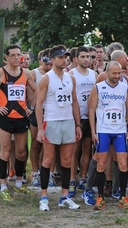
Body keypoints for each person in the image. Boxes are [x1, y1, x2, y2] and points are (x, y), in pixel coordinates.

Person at [36, 45, 82, 211]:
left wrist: (77, 124)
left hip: (68, 121)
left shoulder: (71, 77)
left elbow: (75, 101)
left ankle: (64, 196)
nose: (65, 60)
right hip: (52, 121)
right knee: (48, 159)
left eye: (66, 57)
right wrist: (40, 128)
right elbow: (39, 103)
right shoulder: (46, 79)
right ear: (53, 59)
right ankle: (43, 197)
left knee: (67, 160)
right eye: (61, 57)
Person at [88, 61, 128, 210]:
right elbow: (92, 110)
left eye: (119, 73)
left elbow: (127, 108)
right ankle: (100, 197)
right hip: (103, 130)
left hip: (120, 130)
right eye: (114, 73)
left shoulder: (124, 86)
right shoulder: (98, 88)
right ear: (107, 73)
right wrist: (93, 131)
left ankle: (122, 196)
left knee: (123, 163)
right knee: (101, 163)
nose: (117, 76)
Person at [0, 44, 36, 201]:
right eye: (13, 55)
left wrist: (32, 107)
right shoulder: (2, 73)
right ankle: (3, 185)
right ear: (6, 57)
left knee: (21, 152)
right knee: (5, 152)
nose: (16, 58)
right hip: (6, 117)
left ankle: (20, 183)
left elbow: (37, 91)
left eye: (18, 55)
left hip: (21, 117)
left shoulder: (26, 73)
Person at [67, 46, 98, 197]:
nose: (87, 59)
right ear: (76, 59)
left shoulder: (94, 74)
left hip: (90, 116)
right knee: (74, 150)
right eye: (83, 57)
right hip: (76, 117)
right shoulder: (71, 74)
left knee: (87, 148)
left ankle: (83, 177)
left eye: (89, 57)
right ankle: (72, 179)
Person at [30, 49, 53, 187]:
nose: (48, 63)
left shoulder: (56, 74)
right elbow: (29, 93)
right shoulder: (34, 73)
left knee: (50, 145)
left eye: (51, 60)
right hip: (37, 111)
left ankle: (48, 174)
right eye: (45, 60)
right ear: (40, 61)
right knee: (35, 143)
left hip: (51, 112)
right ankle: (35, 173)